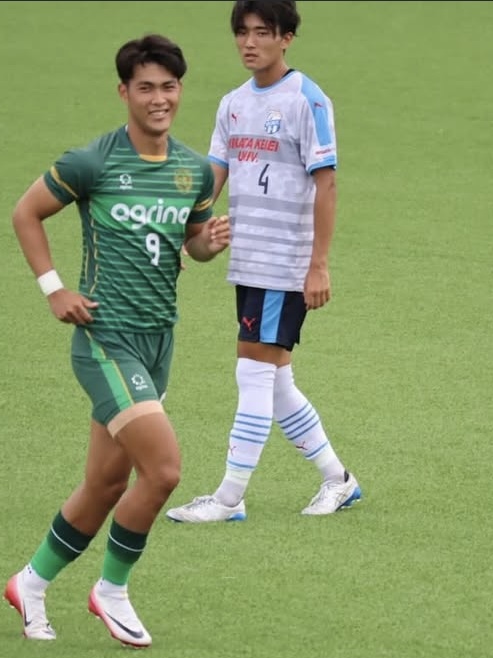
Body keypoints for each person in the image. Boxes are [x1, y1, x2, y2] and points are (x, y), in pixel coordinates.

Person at [3, 34, 231, 647]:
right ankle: (112, 590)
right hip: (105, 341)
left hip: (159, 343)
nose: (160, 99)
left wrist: (207, 244)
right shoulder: (92, 162)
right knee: (164, 470)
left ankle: (30, 582)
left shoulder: (194, 171)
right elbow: (26, 213)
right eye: (146, 88)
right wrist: (54, 289)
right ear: (124, 92)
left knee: (105, 484)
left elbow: (190, 243)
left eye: (169, 87)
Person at [166, 0, 361, 524]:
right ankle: (338, 479)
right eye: (242, 32)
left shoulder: (306, 100)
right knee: (275, 383)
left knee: (251, 372)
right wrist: (182, 234)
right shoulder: (232, 104)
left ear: (286, 37)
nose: (249, 43)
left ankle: (229, 498)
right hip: (248, 262)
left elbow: (327, 184)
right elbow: (213, 176)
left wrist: (318, 264)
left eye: (262, 32)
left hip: (284, 263)